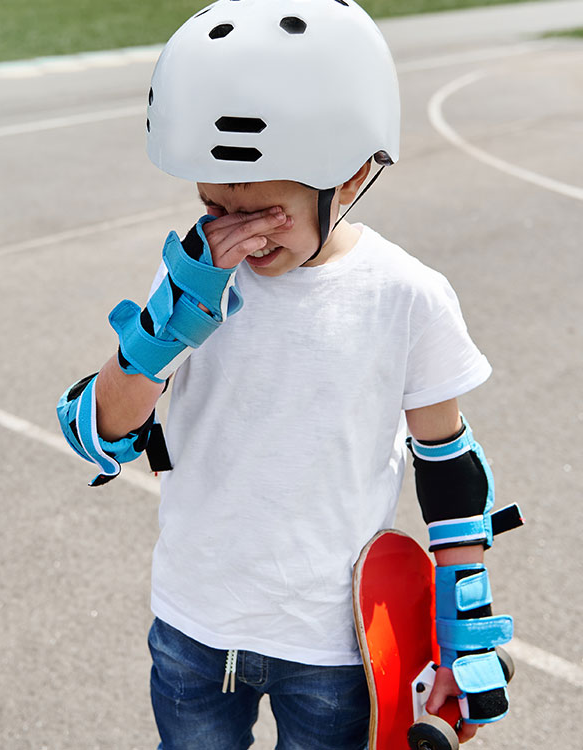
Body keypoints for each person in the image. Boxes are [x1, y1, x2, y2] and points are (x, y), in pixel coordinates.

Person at [57, 1, 516, 748]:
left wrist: (462, 632)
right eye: (213, 204)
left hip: (332, 649)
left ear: (354, 173)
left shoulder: (407, 296)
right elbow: (105, 432)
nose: (238, 232)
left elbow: (448, 465)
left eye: (267, 209)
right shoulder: (194, 275)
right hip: (192, 624)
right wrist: (171, 327)